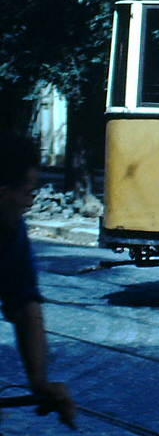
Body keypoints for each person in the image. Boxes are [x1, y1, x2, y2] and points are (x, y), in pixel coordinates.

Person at [1, 134, 76, 428]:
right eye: (29, 193)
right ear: (3, 192)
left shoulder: (10, 231)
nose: (29, 204)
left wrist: (39, 381)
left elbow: (25, 304)